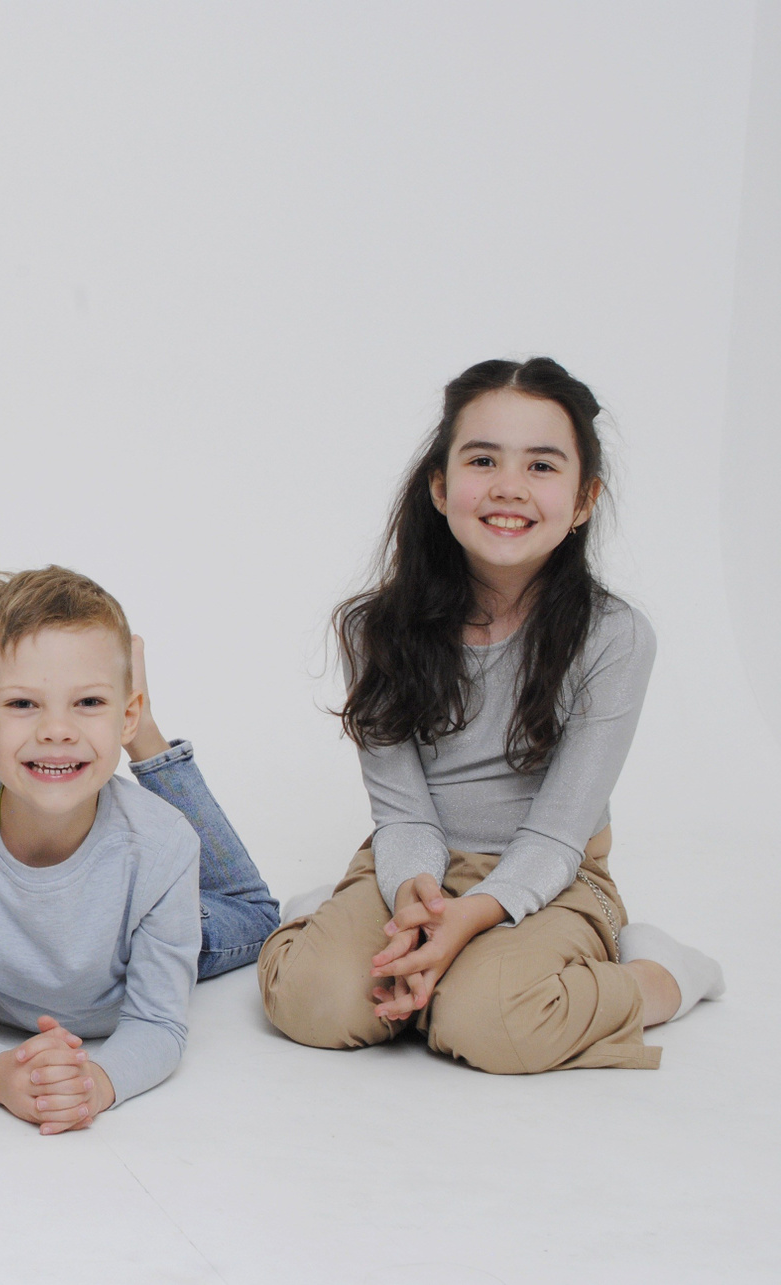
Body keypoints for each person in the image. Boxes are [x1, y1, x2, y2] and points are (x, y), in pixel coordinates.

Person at [259, 357, 724, 1073]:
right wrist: (413, 901)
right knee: (317, 1001)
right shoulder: (374, 629)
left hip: (554, 870)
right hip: (415, 861)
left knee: (490, 1022)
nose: (509, 486)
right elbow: (403, 812)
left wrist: (470, 917)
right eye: (483, 460)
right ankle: (323, 916)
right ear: (440, 488)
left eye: (542, 465)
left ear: (584, 500)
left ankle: (660, 973)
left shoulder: (615, 637)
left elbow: (560, 831)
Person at [0, 566, 273, 1133]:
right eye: (24, 703)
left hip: (123, 929)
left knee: (252, 919)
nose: (58, 728)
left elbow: (157, 1022)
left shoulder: (163, 847)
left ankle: (51, 713)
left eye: (90, 701)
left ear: (128, 716)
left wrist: (95, 1084)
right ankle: (27, 715)